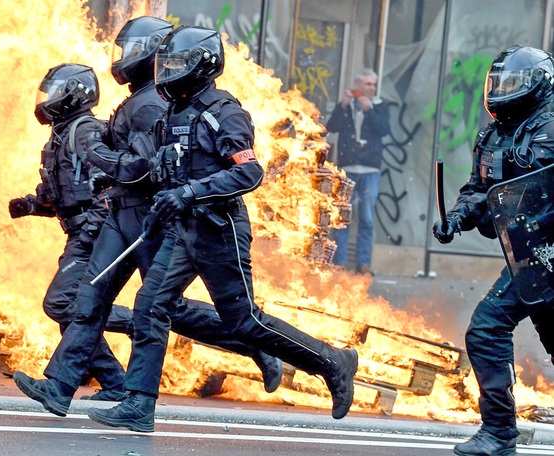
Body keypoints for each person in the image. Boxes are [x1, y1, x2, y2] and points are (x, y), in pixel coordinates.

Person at [87, 25, 358, 434]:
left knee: (243, 321)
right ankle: (139, 405)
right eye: (166, 63)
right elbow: (166, 165)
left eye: (177, 63)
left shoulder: (223, 111)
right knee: (151, 306)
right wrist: (159, 186)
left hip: (219, 229)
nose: (168, 71)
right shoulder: (172, 112)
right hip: (182, 229)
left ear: (204, 64)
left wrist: (192, 192)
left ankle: (332, 362)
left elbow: (249, 172)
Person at [11, 17, 284, 418]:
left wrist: (96, 153)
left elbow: (142, 168)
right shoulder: (142, 99)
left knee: (161, 308)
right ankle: (60, 386)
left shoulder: (152, 103)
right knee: (91, 297)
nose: (121, 59)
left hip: (146, 216)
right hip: (121, 213)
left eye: (128, 50)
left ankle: (251, 342)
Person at [432, 45, 554, 456]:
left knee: (487, 328)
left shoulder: (551, 125)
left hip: (549, 249)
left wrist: (481, 205)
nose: (504, 91)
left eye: (514, 83)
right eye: (499, 83)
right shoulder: (494, 132)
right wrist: (458, 217)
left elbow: (537, 187)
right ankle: (500, 432)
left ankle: (499, 433)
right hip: (527, 254)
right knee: (495, 330)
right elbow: (480, 189)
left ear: (538, 83)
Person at [8, 62, 133, 401]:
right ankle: (116, 386)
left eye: (53, 93)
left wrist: (93, 231)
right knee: (73, 313)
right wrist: (32, 205)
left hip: (97, 234)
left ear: (74, 95)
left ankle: (143, 323)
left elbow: (106, 189)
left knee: (64, 304)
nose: (45, 100)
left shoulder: (87, 132)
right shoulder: (61, 135)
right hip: (81, 233)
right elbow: (67, 197)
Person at [325, 68, 391, 275]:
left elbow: (384, 130)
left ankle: (363, 264)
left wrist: (370, 110)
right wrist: (343, 106)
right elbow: (331, 127)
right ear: (358, 86)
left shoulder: (380, 106)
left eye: (373, 84)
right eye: (367, 84)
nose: (371, 88)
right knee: (342, 217)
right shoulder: (347, 105)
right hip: (347, 169)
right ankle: (339, 263)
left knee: (367, 219)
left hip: (370, 169)